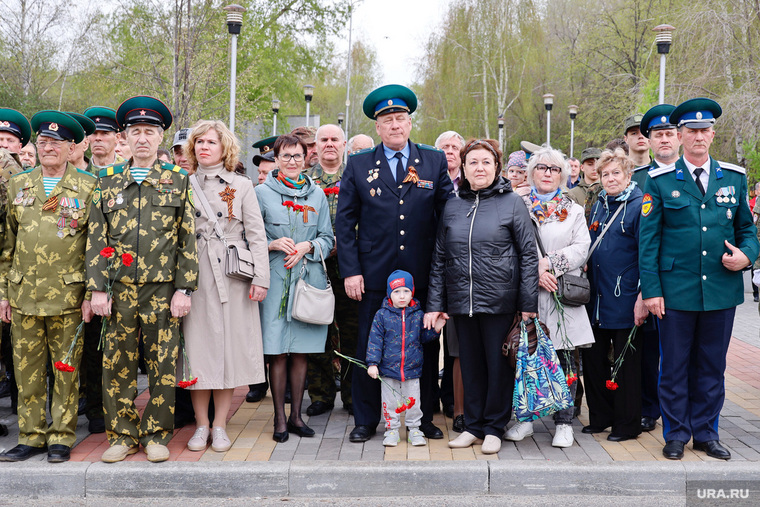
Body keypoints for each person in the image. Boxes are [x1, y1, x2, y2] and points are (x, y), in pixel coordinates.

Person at [640, 98, 759, 461]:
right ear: (679, 136)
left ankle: (707, 433)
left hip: (720, 291)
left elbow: (748, 232)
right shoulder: (658, 181)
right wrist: (652, 291)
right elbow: (649, 242)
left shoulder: (734, 178)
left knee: (712, 367)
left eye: (704, 130)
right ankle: (676, 433)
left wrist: (747, 256)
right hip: (675, 292)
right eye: (690, 131)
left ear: (712, 134)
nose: (698, 137)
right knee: (674, 367)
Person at [335, 84, 453, 443]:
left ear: (410, 122)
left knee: (426, 344)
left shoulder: (433, 161)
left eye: (401, 118)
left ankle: (425, 417)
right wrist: (351, 270)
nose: (395, 125)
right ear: (378, 127)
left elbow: (448, 216)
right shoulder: (358, 164)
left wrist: (445, 275)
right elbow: (345, 221)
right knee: (368, 344)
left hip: (421, 273)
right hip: (374, 273)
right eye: (388, 120)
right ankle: (366, 418)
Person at [87, 95, 198, 463]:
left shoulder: (178, 180)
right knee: (116, 362)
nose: (143, 138)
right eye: (136, 132)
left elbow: (187, 238)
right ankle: (120, 434)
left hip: (162, 289)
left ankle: (155, 434)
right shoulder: (106, 181)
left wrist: (184, 288)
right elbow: (96, 238)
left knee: (162, 363)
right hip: (117, 289)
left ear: (160, 136)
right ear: (125, 138)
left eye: (150, 132)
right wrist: (97, 289)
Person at [426, 138, 538, 454]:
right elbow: (439, 257)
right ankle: (472, 426)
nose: (479, 168)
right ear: (463, 167)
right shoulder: (453, 204)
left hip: (501, 302)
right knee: (470, 365)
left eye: (486, 162)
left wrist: (528, 303)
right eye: (473, 162)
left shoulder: (511, 202)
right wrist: (436, 303)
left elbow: (528, 254)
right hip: (462, 301)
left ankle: (493, 427)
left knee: (497, 367)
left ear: (497, 167)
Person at [0, 111, 96, 463]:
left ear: (71, 148)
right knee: (26, 370)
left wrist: (90, 293)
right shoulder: (19, 184)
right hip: (24, 294)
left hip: (68, 295)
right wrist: (3, 294)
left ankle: (61, 436)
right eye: (42, 142)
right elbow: (7, 245)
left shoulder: (88, 186)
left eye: (56, 143)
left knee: (66, 370)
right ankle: (31, 435)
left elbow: (95, 245)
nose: (48, 148)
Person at [181, 120, 269, 452]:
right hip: (196, 273)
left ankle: (220, 425)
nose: (204, 147)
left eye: (211, 142)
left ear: (224, 148)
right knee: (199, 350)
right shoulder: (182, 184)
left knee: (228, 352)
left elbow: (257, 235)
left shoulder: (242, 184)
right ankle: (201, 424)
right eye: (199, 142)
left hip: (233, 274)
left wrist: (261, 277)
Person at [505, 147, 593, 448]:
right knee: (526, 358)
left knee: (564, 361)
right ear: (531, 172)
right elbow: (506, 247)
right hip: (526, 295)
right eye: (541, 167)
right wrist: (534, 272)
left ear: (562, 175)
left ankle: (564, 422)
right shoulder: (515, 204)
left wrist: (549, 265)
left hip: (558, 296)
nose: (547, 173)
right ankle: (526, 419)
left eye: (554, 169)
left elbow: (582, 248)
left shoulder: (574, 210)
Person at [255, 134, 333, 443]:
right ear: (275, 160)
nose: (292, 162)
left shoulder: (317, 196)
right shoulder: (261, 193)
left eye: (297, 156)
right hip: (275, 280)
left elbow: (329, 238)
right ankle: (279, 418)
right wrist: (272, 243)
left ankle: (297, 415)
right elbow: (249, 234)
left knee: (302, 351)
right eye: (285, 156)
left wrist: (309, 245)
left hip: (307, 279)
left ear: (305, 158)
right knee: (277, 352)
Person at [583, 148, 647, 442]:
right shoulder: (598, 204)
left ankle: (627, 424)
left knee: (625, 366)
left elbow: (648, 251)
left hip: (625, 296)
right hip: (596, 297)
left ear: (628, 174)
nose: (610, 179)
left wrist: (643, 295)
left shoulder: (638, 205)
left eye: (615, 173)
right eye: (605, 174)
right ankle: (600, 417)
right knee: (594, 360)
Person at [304, 124, 359, 417]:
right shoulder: (304, 180)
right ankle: (321, 394)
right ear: (315, 145)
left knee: (351, 332)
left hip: (349, 267)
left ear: (344, 144)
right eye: (323, 139)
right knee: (317, 330)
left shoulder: (356, 175)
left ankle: (352, 396)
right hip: (314, 265)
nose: (329, 144)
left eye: (334, 139)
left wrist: (347, 244)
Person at [634, 104, 681, 433]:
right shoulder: (638, 179)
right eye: (657, 134)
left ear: (679, 137)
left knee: (689, 355)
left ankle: (690, 412)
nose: (663, 139)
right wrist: (642, 286)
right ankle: (651, 408)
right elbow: (635, 239)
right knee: (651, 352)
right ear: (648, 141)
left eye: (669, 133)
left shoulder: (695, 175)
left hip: (686, 280)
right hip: (649, 281)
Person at [368, 270, 445, 447]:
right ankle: (392, 429)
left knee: (413, 402)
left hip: (412, 369)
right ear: (389, 293)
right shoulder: (382, 316)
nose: (401, 296)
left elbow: (423, 338)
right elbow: (375, 341)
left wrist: (435, 330)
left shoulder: (418, 314)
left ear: (412, 292)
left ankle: (415, 428)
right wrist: (372, 364)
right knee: (390, 401)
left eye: (406, 291)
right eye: (396, 292)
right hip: (388, 370)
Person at [0, 108, 31, 418]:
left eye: (9, 139)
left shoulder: (15, 175)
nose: (2, 143)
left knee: (13, 349)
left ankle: (19, 411)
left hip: (11, 270)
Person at [434, 130, 465, 430]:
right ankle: (432, 397)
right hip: (436, 268)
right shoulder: (426, 180)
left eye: (455, 147)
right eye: (444, 147)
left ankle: (455, 403)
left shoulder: (469, 184)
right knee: (432, 339)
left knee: (457, 342)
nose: (450, 152)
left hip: (464, 275)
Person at [83, 106, 125, 172]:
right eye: (94, 133)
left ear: (117, 138)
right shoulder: (81, 172)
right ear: (87, 138)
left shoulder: (128, 170)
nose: (98, 138)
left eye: (105, 133)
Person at [567, 147, 602, 221]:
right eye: (590, 164)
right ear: (582, 167)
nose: (595, 168)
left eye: (598, 164)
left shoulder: (609, 191)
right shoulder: (573, 194)